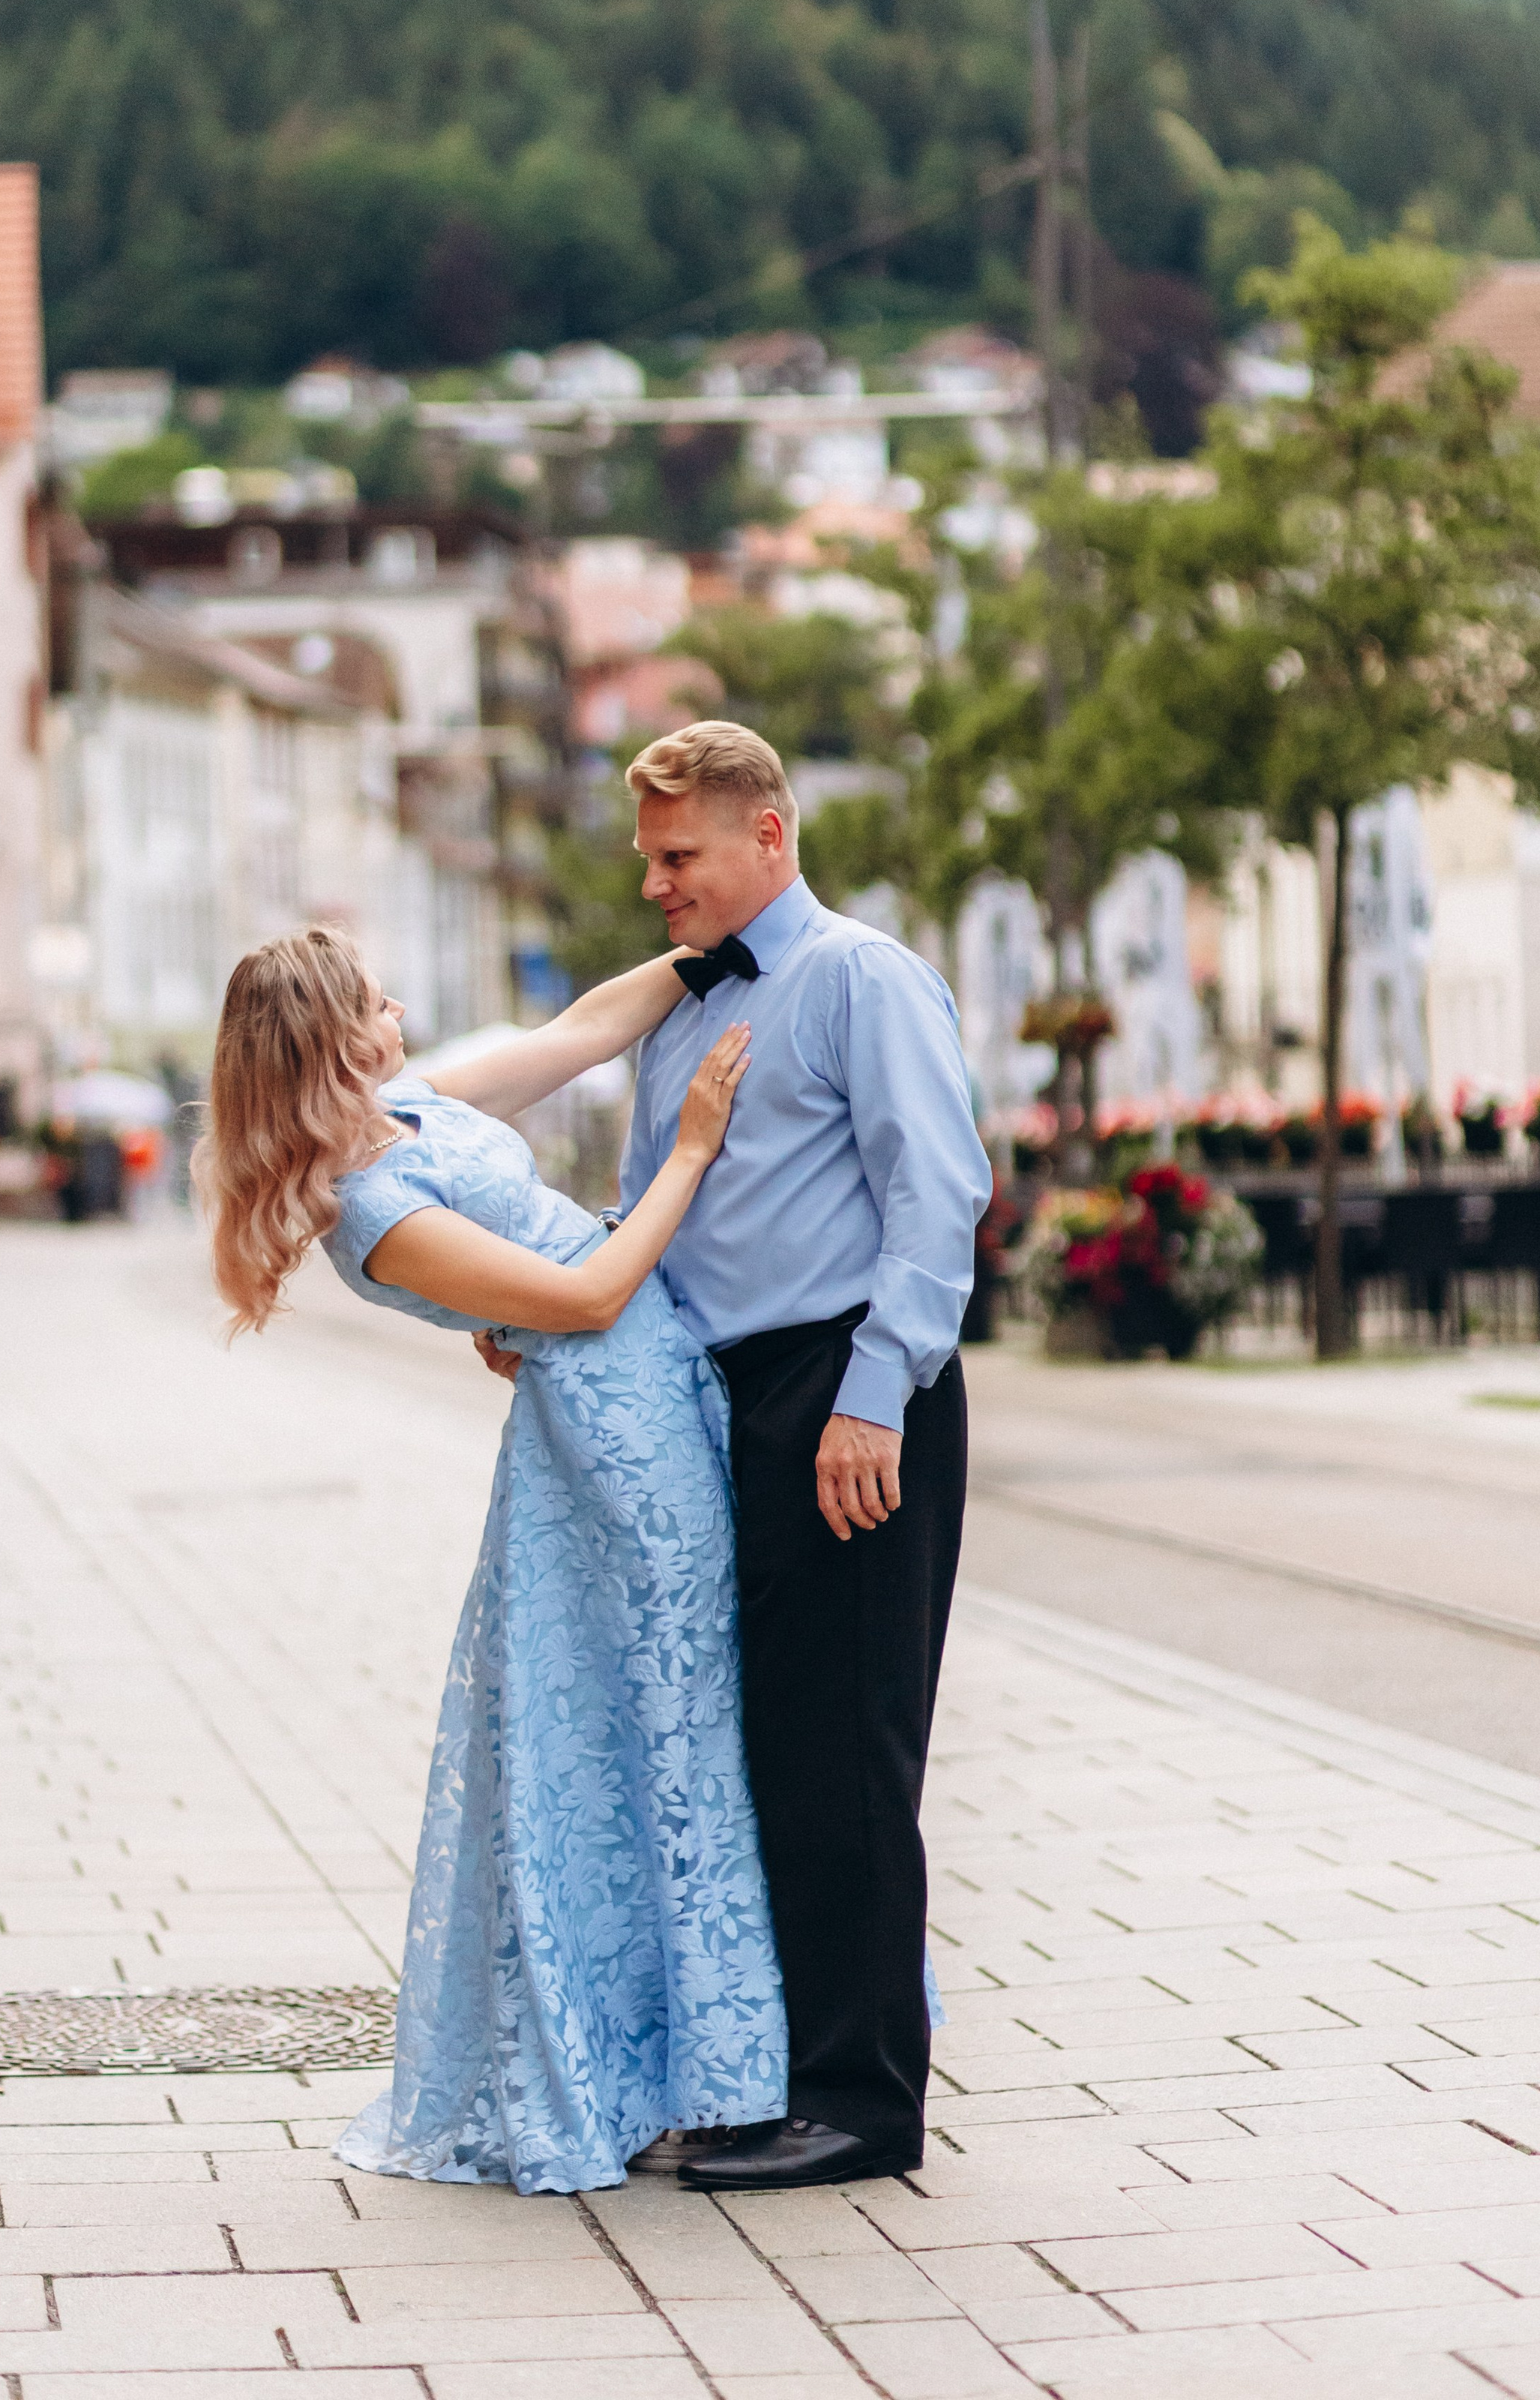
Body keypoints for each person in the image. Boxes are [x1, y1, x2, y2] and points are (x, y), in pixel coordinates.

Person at [194, 926, 786, 2194]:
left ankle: (715, 2053)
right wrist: (688, 1149)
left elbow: (576, 1034)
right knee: (673, 1721)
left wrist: (709, 952)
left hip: (643, 1377)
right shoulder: (372, 1214)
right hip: (613, 1419)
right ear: (337, 1040)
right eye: (378, 997)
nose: (401, 1004)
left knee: (678, 1711)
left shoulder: (411, 1113)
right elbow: (579, 1302)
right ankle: (712, 2068)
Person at [608, 720, 991, 2190]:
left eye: (677, 856)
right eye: (648, 859)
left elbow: (934, 1193)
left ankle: (862, 2103)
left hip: (847, 1391)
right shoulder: (681, 1014)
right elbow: (668, 1216)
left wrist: (872, 1394)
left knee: (846, 1754)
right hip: (740, 1402)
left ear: (765, 836)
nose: (657, 884)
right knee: (768, 1754)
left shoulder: (857, 979)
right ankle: (770, 2081)